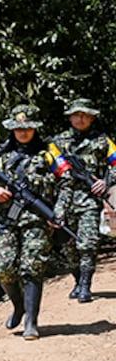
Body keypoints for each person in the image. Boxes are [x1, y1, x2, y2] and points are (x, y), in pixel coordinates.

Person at [0, 104, 68, 340]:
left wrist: (58, 212)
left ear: (35, 129)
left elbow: (66, 182)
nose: (23, 132)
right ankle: (18, 306)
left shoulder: (49, 153)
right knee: (2, 267)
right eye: (19, 128)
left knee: (32, 267)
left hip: (37, 219)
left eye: (28, 128)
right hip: (5, 218)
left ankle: (31, 321)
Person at [46, 98, 115, 303]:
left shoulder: (102, 141)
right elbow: (47, 168)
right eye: (76, 115)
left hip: (89, 200)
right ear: (70, 118)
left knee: (87, 243)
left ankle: (85, 285)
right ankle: (77, 280)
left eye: (84, 115)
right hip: (64, 200)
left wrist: (106, 181)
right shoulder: (57, 143)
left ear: (92, 118)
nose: (80, 119)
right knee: (68, 246)